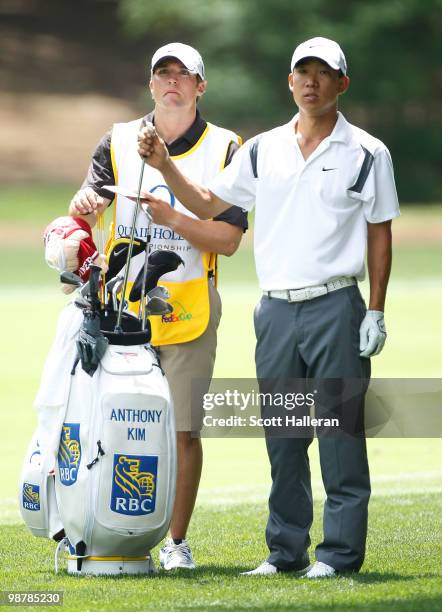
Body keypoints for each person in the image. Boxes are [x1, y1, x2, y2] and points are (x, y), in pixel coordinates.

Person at [137, 37, 400, 578]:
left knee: (340, 437)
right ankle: (286, 553)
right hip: (276, 311)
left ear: (341, 84)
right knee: (284, 439)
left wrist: (375, 308)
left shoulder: (368, 152)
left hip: (337, 306)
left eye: (323, 73)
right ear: (289, 82)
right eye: (301, 72)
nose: (311, 82)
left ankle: (339, 555)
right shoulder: (262, 149)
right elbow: (212, 203)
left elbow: (380, 232)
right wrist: (166, 167)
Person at [69, 42, 248, 570]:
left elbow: (228, 238)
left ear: (200, 86)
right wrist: (83, 204)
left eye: (183, 75)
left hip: (190, 305)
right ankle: (103, 527)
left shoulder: (225, 147)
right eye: (162, 74)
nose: (172, 81)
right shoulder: (118, 139)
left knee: (183, 429)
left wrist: (173, 221)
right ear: (151, 84)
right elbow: (90, 203)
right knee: (110, 421)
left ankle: (175, 541)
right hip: (120, 309)